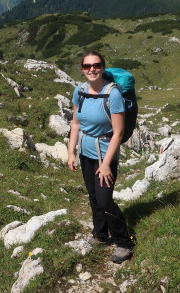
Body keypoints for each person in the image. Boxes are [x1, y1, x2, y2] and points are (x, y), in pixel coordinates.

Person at [67, 51, 133, 263]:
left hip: (105, 153)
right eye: (87, 66)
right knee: (94, 196)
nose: (92, 69)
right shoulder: (80, 90)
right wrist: (71, 151)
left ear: (103, 67)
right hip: (86, 152)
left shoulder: (112, 93)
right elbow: (76, 123)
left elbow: (118, 132)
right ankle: (101, 234)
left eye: (96, 65)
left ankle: (123, 242)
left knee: (105, 200)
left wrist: (105, 164)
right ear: (82, 69)